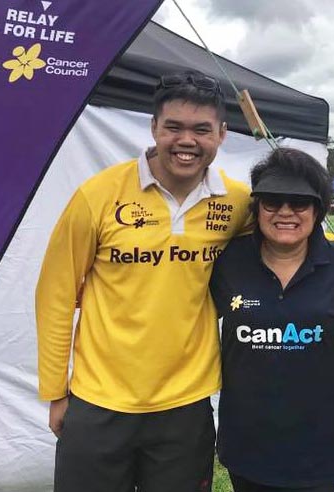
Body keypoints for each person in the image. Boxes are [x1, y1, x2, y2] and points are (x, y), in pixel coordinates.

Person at [36, 70, 252, 492]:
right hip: (98, 401)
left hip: (185, 404)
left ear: (222, 135)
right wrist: (55, 391)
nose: (186, 140)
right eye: (173, 126)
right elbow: (56, 295)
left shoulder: (238, 202)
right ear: (154, 127)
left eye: (201, 129)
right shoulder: (97, 196)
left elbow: (291, 239)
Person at [211, 148, 334, 492]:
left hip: (319, 451)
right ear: (256, 208)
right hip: (248, 445)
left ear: (318, 209)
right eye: (272, 201)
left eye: (299, 203)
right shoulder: (228, 261)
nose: (285, 212)